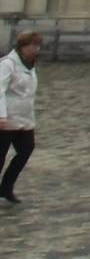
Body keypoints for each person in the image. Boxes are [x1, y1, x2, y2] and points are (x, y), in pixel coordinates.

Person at [0, 30, 42, 205]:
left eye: (38, 45)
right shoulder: (8, 64)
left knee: (26, 149)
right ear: (23, 46)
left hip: (24, 119)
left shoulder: (30, 65)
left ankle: (6, 187)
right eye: (33, 45)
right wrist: (1, 115)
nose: (36, 49)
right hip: (6, 118)